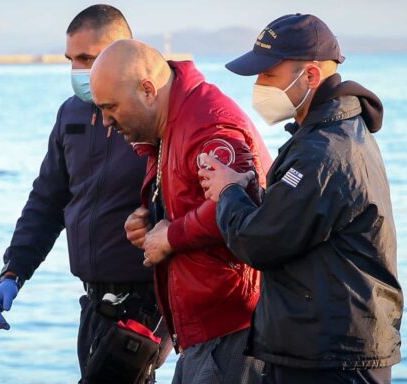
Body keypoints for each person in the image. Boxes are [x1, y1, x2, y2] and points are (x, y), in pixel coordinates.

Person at [197, 14, 403, 383]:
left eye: (268, 75)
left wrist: (227, 192)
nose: (259, 86)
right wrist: (252, 191)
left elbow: (258, 242)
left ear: (309, 76)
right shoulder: (332, 132)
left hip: (334, 357)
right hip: (324, 345)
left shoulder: (323, 152)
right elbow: (298, 220)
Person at [0, 5, 170, 383]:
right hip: (94, 303)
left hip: (148, 305)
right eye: (71, 59)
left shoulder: (156, 115)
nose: (78, 70)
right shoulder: (70, 114)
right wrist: (14, 272)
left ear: (123, 51)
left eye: (87, 58)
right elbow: (47, 201)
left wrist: (171, 322)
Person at [90, 39, 273, 384]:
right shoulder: (169, 123)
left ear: (147, 90)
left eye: (110, 107)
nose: (106, 122)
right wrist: (150, 219)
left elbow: (242, 204)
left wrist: (171, 236)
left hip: (232, 330)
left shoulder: (207, 124)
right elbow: (190, 198)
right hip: (200, 332)